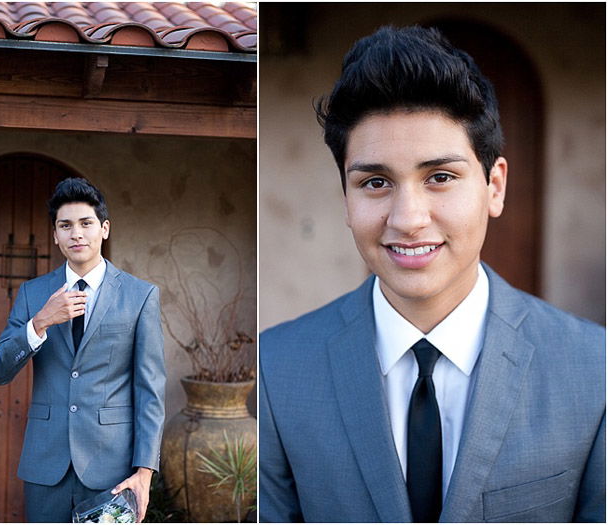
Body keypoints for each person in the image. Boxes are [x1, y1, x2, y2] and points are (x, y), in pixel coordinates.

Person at [259, 26, 605, 523]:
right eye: (375, 182)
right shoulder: (278, 369)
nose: (407, 218)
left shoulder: (594, 370)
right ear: (346, 200)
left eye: (439, 177)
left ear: (494, 186)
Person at [0, 177, 165, 522]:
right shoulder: (33, 294)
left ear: (104, 228)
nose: (76, 234)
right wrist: (39, 323)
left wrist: (144, 473)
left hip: (111, 467)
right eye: (65, 226)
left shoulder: (140, 295)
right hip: (45, 467)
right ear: (55, 235)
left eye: (86, 223)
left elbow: (150, 392)